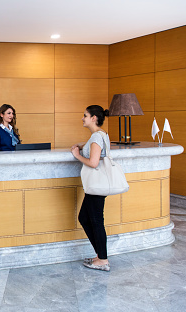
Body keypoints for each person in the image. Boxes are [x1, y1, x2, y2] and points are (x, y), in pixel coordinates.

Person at [71, 105, 111, 272]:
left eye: (85, 115)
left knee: (95, 220)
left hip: (96, 185)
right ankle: (99, 255)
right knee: (85, 218)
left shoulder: (96, 137)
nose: (83, 118)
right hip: (96, 185)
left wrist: (77, 155)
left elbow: (94, 162)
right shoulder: (100, 135)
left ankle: (102, 259)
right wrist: (82, 145)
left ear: (94, 118)